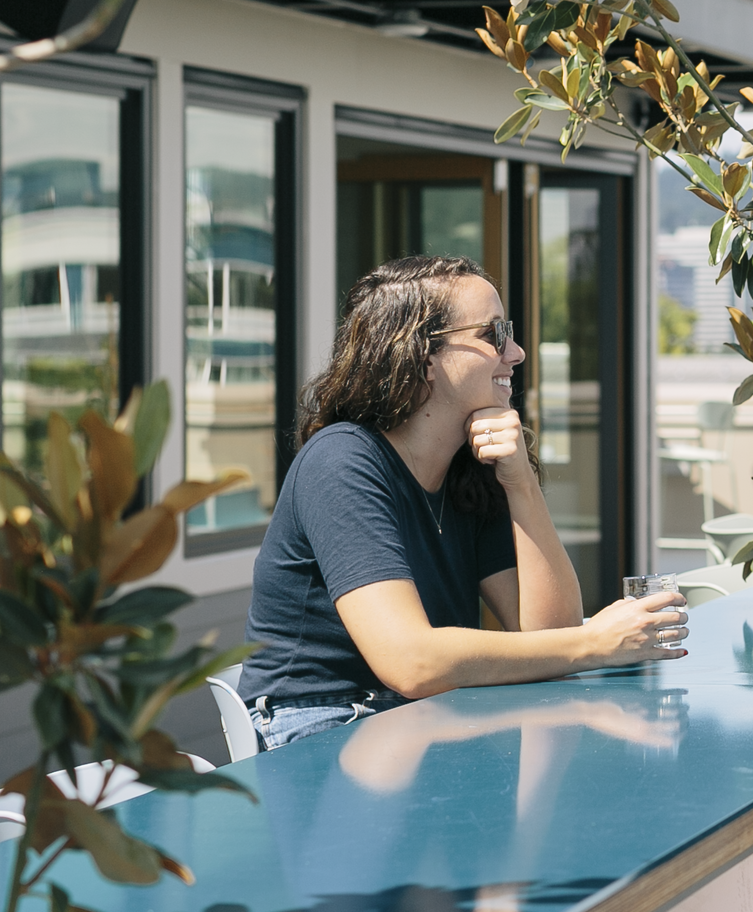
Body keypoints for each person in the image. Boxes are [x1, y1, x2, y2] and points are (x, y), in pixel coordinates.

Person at [239, 254, 688, 750]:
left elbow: (548, 634)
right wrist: (594, 642)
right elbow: (411, 662)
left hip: (427, 721)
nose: (515, 352)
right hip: (324, 724)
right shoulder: (341, 462)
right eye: (493, 334)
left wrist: (521, 484)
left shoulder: (470, 472)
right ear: (423, 357)